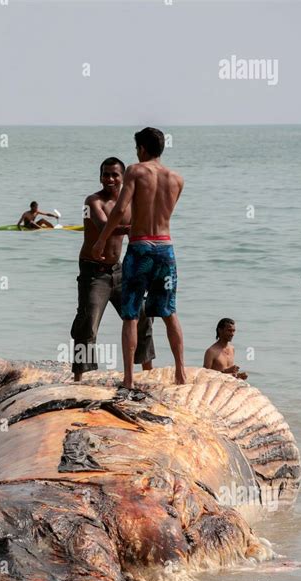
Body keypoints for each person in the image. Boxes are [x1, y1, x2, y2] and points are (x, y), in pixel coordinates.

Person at [91, 127, 186, 388]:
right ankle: (180, 373)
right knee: (169, 312)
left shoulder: (135, 170)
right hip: (166, 248)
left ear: (141, 148)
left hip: (140, 247)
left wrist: (101, 240)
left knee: (131, 314)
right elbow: (165, 213)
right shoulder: (177, 179)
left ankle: (129, 379)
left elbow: (121, 209)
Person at [70, 157, 155, 381]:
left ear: (123, 177)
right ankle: (79, 378)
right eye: (106, 174)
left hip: (119, 271)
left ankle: (148, 372)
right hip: (93, 272)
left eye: (115, 174)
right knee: (88, 323)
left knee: (143, 315)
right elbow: (103, 227)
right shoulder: (93, 201)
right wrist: (134, 227)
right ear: (100, 177)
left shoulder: (129, 203)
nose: (110, 178)